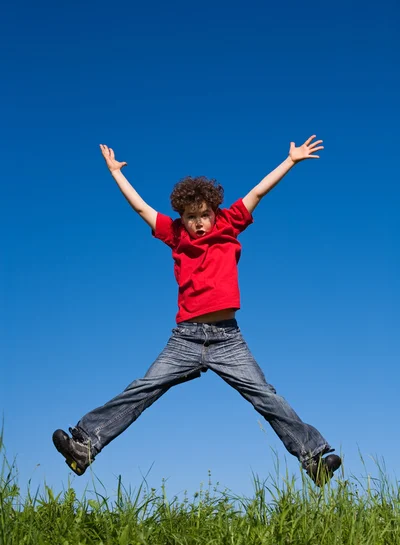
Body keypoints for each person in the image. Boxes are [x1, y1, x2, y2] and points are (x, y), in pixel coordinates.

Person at [53, 136, 341, 486]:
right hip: (186, 338)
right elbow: (142, 209)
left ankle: (313, 459)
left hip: (227, 339)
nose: (200, 223)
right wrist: (116, 173)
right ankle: (84, 444)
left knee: (265, 395)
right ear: (182, 217)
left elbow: (258, 192)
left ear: (215, 212)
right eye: (192, 217)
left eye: (205, 215)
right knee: (143, 388)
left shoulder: (229, 223)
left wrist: (290, 160)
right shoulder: (176, 235)